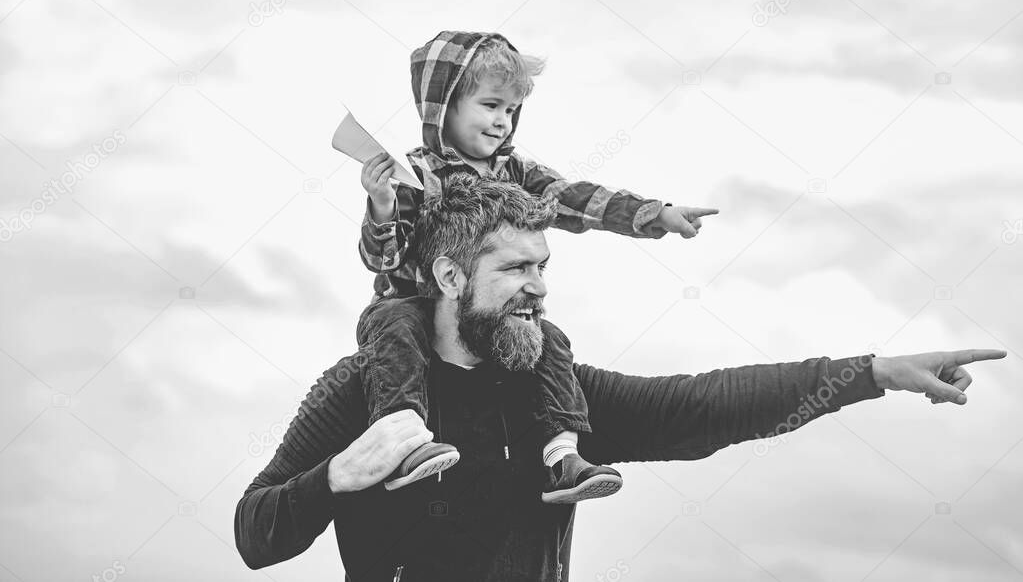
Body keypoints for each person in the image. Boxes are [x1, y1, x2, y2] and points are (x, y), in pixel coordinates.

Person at [235, 173, 1005, 581]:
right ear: (447, 274)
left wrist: (871, 371)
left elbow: (698, 407)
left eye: (543, 266)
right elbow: (254, 532)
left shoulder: (546, 397)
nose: (537, 286)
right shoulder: (361, 388)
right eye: (514, 268)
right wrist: (335, 476)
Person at [355, 30, 719, 500]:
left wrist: (655, 214)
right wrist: (382, 205)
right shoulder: (416, 177)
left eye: (510, 110)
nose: (502, 122)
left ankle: (562, 455)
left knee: (548, 339)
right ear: (444, 107)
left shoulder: (517, 173)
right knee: (394, 327)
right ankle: (403, 441)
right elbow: (379, 259)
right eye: (490, 105)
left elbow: (577, 200)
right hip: (415, 305)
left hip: (488, 313)